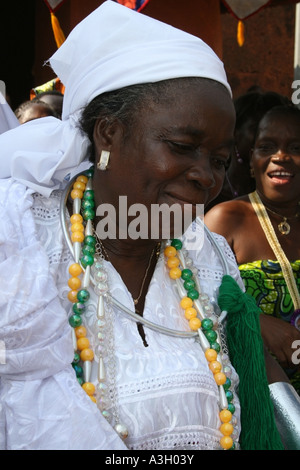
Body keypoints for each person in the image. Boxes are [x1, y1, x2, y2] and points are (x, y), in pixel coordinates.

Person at [0, 1, 297, 452]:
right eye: (182, 146)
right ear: (107, 134)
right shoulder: (24, 248)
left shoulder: (208, 256)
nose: (206, 177)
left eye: (219, 161)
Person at [205, 104, 300, 399]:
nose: (280, 156)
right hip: (255, 399)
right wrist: (254, 321)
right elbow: (188, 299)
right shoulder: (225, 219)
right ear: (251, 159)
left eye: (296, 147)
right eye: (267, 146)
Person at [205, 90, 292, 211]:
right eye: (256, 129)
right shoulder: (208, 191)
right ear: (234, 133)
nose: (267, 138)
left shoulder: (288, 198)